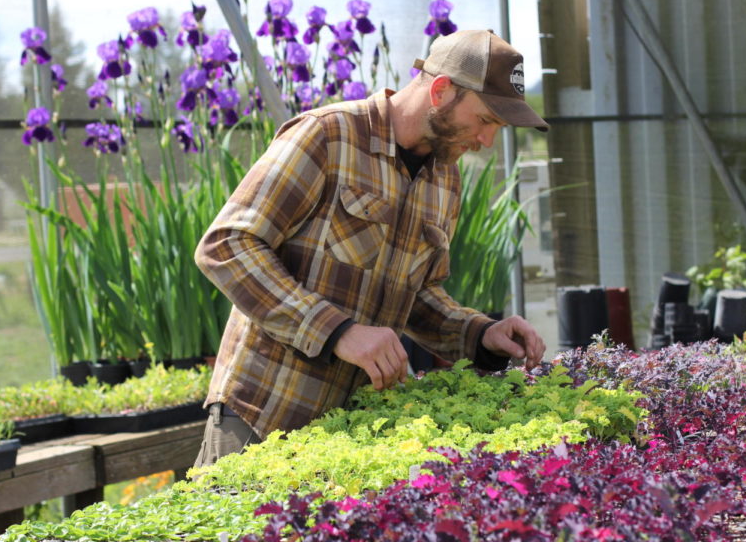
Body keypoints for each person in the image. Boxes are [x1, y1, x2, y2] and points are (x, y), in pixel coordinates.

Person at [193, 29, 549, 467]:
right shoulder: (328, 136)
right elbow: (227, 245)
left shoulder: (445, 180)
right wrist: (336, 331)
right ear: (441, 91)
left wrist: (478, 333)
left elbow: (418, 296)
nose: (488, 141)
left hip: (356, 436)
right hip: (263, 416)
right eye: (485, 120)